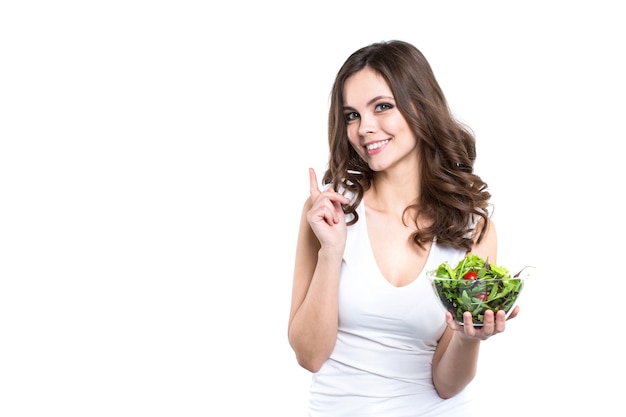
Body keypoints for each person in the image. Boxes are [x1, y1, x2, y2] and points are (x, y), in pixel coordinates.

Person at [287, 40, 520, 417]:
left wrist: (466, 336)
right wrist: (331, 252)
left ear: (421, 107)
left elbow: (447, 385)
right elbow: (309, 356)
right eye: (351, 115)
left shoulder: (472, 229)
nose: (365, 129)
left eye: (383, 107)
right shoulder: (329, 213)